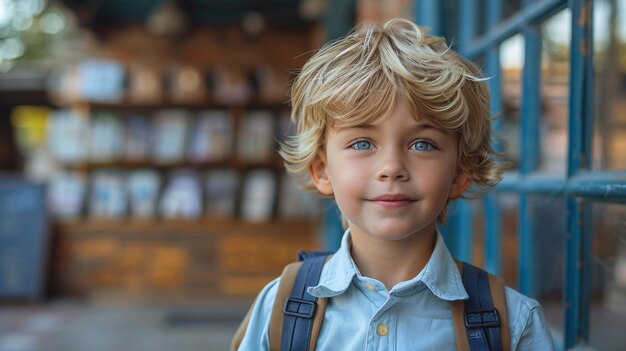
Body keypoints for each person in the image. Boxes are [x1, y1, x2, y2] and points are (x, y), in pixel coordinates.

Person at [235, 18, 554, 350]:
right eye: (362, 143)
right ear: (321, 170)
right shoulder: (280, 308)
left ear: (460, 173)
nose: (391, 168)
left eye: (422, 145)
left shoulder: (513, 323)